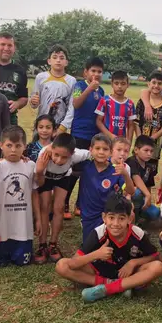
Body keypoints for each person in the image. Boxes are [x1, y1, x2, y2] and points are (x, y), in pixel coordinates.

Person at [55, 194, 162, 303]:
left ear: (130, 219)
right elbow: (73, 263)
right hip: (102, 272)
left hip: (129, 274)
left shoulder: (137, 233)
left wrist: (133, 263)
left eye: (121, 218)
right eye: (111, 218)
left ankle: (107, 289)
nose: (115, 224)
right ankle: (116, 285)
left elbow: (155, 257)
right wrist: (96, 254)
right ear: (104, 218)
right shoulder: (98, 233)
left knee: (158, 267)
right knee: (62, 266)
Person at [0, 126, 47, 266]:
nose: (13, 150)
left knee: (23, 262)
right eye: (9, 145)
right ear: (1, 145)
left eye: (18, 146)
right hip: (1, 230)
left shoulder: (30, 165)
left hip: (23, 230)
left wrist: (37, 219)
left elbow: (34, 194)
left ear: (24, 146)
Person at [35, 133, 91, 263]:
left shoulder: (77, 154)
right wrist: (39, 171)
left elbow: (92, 153)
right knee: (45, 207)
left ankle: (53, 244)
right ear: (52, 149)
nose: (59, 160)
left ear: (72, 154)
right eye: (56, 155)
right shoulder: (44, 155)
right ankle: (42, 245)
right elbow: (40, 182)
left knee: (59, 209)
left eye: (64, 157)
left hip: (63, 178)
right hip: (45, 178)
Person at [68, 58, 106, 217]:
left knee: (87, 172)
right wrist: (89, 88)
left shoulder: (102, 91)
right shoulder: (79, 85)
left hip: (94, 136)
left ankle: (79, 204)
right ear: (86, 72)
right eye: (93, 71)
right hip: (79, 134)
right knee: (74, 171)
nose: (96, 74)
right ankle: (64, 204)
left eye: (99, 72)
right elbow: (76, 104)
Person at [77, 135, 135, 240]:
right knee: (90, 245)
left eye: (105, 149)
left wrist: (125, 174)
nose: (101, 152)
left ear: (111, 152)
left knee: (108, 245)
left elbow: (131, 191)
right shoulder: (85, 165)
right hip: (87, 215)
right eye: (97, 148)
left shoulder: (115, 170)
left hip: (109, 215)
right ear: (91, 149)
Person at [135, 71, 162, 180]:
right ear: (149, 84)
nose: (156, 86)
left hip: (154, 145)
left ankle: (147, 195)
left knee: (150, 174)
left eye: (160, 83)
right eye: (154, 82)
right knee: (136, 171)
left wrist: (151, 139)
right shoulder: (142, 102)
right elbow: (136, 122)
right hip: (140, 142)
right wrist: (140, 139)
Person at [30, 45, 77, 132]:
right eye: (55, 57)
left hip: (59, 127)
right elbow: (34, 103)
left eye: (62, 58)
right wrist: (33, 102)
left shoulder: (72, 81)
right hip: (41, 125)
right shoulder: (40, 77)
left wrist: (63, 127)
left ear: (66, 62)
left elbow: (72, 106)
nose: (58, 60)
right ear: (49, 61)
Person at [127, 135, 162, 223]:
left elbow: (149, 186)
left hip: (142, 198)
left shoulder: (150, 166)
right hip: (128, 196)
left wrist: (148, 200)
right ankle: (134, 220)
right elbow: (136, 177)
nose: (149, 154)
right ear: (136, 150)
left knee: (155, 212)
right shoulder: (131, 161)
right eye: (146, 150)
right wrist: (148, 195)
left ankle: (140, 216)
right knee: (137, 192)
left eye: (151, 151)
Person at [95, 70, 137, 141]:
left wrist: (128, 143)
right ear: (112, 84)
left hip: (120, 142)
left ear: (128, 85)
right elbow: (98, 121)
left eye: (123, 84)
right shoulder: (105, 100)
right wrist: (110, 135)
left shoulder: (130, 104)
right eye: (116, 83)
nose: (119, 86)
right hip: (105, 140)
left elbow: (131, 126)